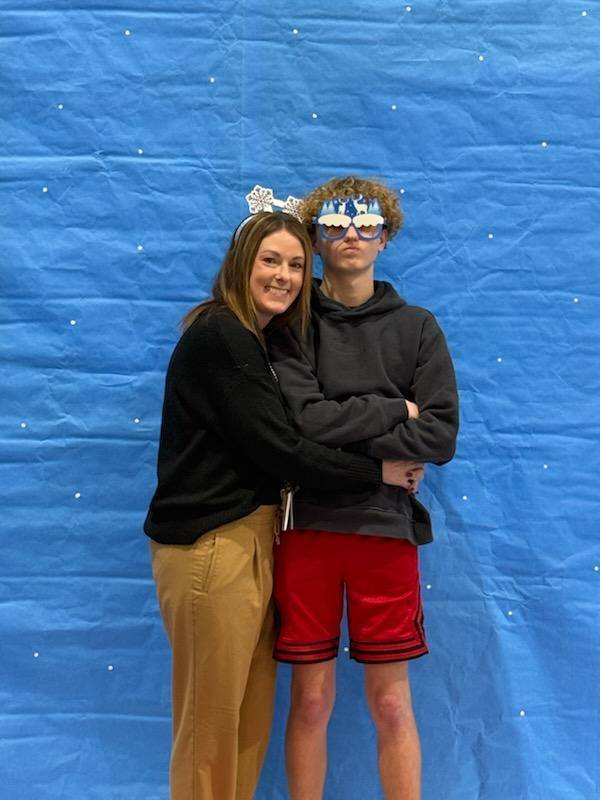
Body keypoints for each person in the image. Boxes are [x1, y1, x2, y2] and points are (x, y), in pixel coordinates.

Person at [143, 210, 417, 800]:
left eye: (297, 265)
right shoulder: (222, 335)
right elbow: (285, 450)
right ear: (242, 264)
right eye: (271, 260)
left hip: (254, 540)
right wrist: (379, 468)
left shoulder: (258, 342)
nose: (285, 276)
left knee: (246, 719)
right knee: (211, 728)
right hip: (210, 546)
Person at [268, 178, 459, 800]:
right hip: (307, 531)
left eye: (366, 224)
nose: (351, 234)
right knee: (313, 700)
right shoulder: (289, 327)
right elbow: (301, 423)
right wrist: (394, 410)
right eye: (335, 224)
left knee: (392, 705)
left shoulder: (418, 327)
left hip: (384, 530)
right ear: (316, 238)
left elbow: (440, 437)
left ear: (386, 235)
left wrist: (343, 428)